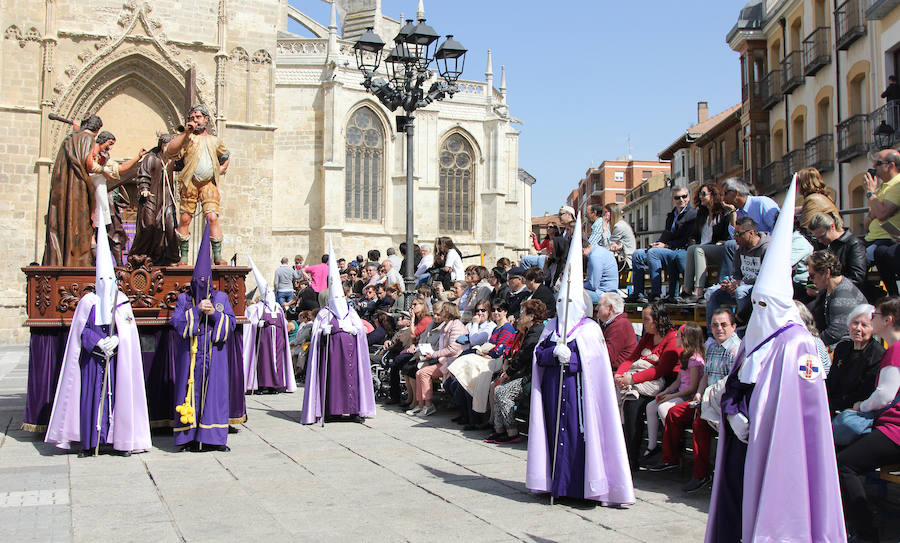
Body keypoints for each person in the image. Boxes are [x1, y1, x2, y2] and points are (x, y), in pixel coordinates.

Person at [705, 177, 844, 543]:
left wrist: (765, 422)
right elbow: (736, 382)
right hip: (746, 441)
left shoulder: (798, 344)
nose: (760, 310)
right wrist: (733, 411)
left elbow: (805, 408)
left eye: (766, 305)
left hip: (781, 449)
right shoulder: (756, 339)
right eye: (756, 304)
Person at [526, 215, 634, 505]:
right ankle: (554, 485)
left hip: (578, 395)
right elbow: (538, 355)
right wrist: (553, 353)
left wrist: (572, 358)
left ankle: (581, 487)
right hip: (552, 390)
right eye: (560, 302)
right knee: (552, 435)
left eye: (568, 302)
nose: (563, 306)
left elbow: (594, 363)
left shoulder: (589, 330)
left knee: (577, 439)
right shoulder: (551, 328)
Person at [45, 206, 150, 456]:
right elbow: (80, 332)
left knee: (118, 399)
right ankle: (90, 442)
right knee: (91, 400)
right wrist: (97, 342)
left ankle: (119, 440)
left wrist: (117, 340)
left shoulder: (122, 300)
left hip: (116, 361)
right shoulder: (88, 302)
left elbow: (129, 332)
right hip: (92, 361)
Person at [650, 309, 740, 491]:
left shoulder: (736, 349)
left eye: (723, 325)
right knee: (676, 414)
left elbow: (732, 382)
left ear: (734, 327)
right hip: (707, 399)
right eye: (715, 325)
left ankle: (702, 473)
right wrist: (699, 394)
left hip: (725, 401)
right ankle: (673, 459)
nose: (719, 329)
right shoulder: (713, 347)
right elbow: (706, 376)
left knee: (699, 423)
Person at [837, 296, 900, 543]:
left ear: (888, 320)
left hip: (894, 430)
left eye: (874, 315)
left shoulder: (895, 350)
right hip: (891, 429)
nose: (870, 319)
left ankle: (866, 533)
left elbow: (884, 395)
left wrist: (859, 406)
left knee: (844, 465)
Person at [170, 218, 235, 451]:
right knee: (189, 392)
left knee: (214, 397)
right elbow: (176, 322)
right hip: (191, 357)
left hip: (213, 357)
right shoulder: (184, 299)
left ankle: (214, 438)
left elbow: (231, 324)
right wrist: (196, 311)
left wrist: (215, 316)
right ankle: (187, 437)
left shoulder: (221, 299)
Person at [301, 240, 375, 425]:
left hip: (351, 355)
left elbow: (360, 328)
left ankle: (354, 410)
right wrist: (322, 332)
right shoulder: (324, 314)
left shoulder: (351, 312)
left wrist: (354, 329)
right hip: (332, 355)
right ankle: (332, 410)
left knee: (353, 380)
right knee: (333, 381)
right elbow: (316, 332)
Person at [615, 302, 681, 469]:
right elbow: (631, 358)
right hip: (641, 378)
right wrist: (620, 374)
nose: (643, 323)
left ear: (658, 320)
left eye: (646, 319)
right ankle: (622, 453)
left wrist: (632, 379)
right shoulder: (648, 337)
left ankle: (632, 458)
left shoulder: (671, 338)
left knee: (632, 405)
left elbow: (662, 369)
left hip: (664, 383)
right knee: (622, 399)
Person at [166, 105, 231, 265]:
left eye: (198, 117)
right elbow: (170, 150)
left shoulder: (214, 140)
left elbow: (226, 155)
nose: (195, 120)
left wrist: (220, 169)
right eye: (192, 118)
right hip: (189, 183)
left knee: (212, 217)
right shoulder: (187, 138)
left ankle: (217, 256)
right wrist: (186, 132)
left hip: (208, 183)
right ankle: (184, 258)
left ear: (206, 119)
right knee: (186, 218)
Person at [43, 115, 104, 266]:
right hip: (78, 190)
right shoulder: (87, 139)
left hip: (62, 189)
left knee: (62, 222)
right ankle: (77, 263)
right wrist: (104, 170)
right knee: (78, 225)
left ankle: (60, 260)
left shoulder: (69, 139)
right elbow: (88, 163)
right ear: (97, 129)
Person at [445, 299, 517, 427]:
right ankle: (468, 417)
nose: (496, 312)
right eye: (494, 310)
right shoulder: (497, 328)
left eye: (499, 310)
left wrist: (486, 353)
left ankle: (474, 419)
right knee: (465, 381)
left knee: (469, 378)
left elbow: (499, 349)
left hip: (496, 361)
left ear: (505, 312)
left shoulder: (506, 328)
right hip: (487, 358)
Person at [643, 323, 705, 464]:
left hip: (687, 396)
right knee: (651, 406)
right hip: (679, 393)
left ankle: (675, 446)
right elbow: (679, 381)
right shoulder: (684, 355)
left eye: (679, 335)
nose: (676, 337)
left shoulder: (694, 359)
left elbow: (692, 387)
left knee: (663, 409)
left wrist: (671, 396)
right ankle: (652, 446)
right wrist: (666, 392)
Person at [485, 299, 545, 444]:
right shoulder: (528, 331)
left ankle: (512, 432)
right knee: (498, 388)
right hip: (523, 373)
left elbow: (523, 357)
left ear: (531, 316)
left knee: (502, 392)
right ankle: (499, 430)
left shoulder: (536, 333)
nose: (519, 316)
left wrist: (509, 373)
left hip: (531, 376)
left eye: (523, 313)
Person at [627, 186, 697, 303]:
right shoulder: (671, 216)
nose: (681, 200)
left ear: (689, 197)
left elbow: (688, 239)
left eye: (684, 196)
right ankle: (638, 294)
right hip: (667, 248)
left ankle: (656, 293)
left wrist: (666, 246)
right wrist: (658, 243)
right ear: (672, 200)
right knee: (638, 254)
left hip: (680, 250)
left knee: (654, 253)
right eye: (677, 197)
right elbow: (667, 234)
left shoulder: (693, 215)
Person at [243, 257, 297, 395]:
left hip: (278, 340)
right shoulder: (257, 308)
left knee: (277, 361)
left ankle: (276, 385)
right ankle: (262, 385)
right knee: (264, 361)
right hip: (263, 340)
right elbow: (250, 323)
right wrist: (257, 324)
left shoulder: (278, 308)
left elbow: (283, 322)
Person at [705, 217, 769, 327]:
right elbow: (736, 273)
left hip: (756, 290)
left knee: (740, 291)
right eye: (734, 233)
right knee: (714, 294)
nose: (735, 237)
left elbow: (765, 277)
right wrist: (730, 283)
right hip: (741, 285)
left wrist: (740, 283)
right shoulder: (740, 249)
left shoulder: (766, 249)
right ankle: (712, 336)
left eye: (738, 234)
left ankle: (741, 330)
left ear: (751, 233)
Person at [679, 182, 735, 303]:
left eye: (703, 194)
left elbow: (729, 233)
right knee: (692, 248)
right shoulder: (702, 214)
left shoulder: (724, 212)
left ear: (713, 195)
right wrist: (692, 243)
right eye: (699, 194)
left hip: (719, 248)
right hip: (704, 248)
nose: (700, 197)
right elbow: (694, 235)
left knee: (698, 250)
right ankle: (687, 290)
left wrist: (723, 241)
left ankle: (698, 291)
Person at [407, 303, 466, 416]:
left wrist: (434, 354)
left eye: (442, 311)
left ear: (448, 313)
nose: (439, 314)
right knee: (419, 373)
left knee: (423, 373)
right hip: (444, 360)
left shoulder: (456, 326)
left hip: (453, 361)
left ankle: (428, 405)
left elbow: (453, 349)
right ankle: (420, 405)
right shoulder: (447, 325)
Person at [130, 133, 180, 266]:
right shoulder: (151, 158)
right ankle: (140, 255)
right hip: (151, 198)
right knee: (149, 225)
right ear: (161, 145)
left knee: (170, 225)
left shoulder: (172, 160)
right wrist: (144, 188)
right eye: (166, 145)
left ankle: (171, 257)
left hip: (167, 198)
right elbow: (143, 174)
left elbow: (186, 163)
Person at [827, 304, 884, 414]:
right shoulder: (842, 348)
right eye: (855, 323)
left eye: (864, 325)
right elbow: (831, 380)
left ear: (873, 329)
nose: (858, 328)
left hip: (855, 410)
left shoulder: (877, 354)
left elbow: (866, 391)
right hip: (832, 404)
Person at [805, 250, 868, 347]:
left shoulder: (843, 294)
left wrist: (810, 344)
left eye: (812, 276)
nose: (810, 280)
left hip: (849, 347)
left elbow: (835, 333)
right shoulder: (830, 290)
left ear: (827, 273)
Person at [864, 149, 900, 295]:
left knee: (859, 260)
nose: (874, 166)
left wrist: (870, 193)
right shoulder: (882, 188)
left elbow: (882, 214)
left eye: (878, 163)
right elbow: (867, 222)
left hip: (886, 240)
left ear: (891, 165)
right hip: (872, 239)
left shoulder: (896, 185)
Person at [384, 297, 432, 405]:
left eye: (415, 304)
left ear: (423, 306)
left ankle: (405, 398)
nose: (412, 307)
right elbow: (414, 339)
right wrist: (412, 344)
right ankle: (409, 398)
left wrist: (412, 319)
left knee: (400, 363)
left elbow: (413, 334)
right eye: (412, 305)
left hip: (425, 351)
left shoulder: (426, 319)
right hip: (416, 348)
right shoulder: (419, 319)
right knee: (399, 364)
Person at [807, 211, 868, 290]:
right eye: (817, 238)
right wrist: (811, 287)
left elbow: (857, 277)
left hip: (845, 293)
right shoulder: (821, 245)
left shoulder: (853, 244)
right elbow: (813, 271)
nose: (820, 241)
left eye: (822, 237)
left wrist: (831, 285)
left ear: (832, 227)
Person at [596, 292, 636, 370]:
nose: (596, 308)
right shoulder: (615, 323)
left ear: (610, 308)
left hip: (617, 374)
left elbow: (607, 356)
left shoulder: (620, 325)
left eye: (600, 305)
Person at [796, 167, 839, 237]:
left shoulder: (812, 199)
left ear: (803, 184)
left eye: (797, 183)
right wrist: (802, 209)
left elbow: (806, 229)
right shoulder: (822, 197)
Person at [582, 238, 619, 304]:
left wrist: (578, 285)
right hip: (609, 292)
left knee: (570, 293)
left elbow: (593, 285)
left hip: (604, 294)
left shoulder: (594, 257)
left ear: (582, 250)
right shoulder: (599, 250)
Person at [605, 204, 636, 270]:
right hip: (623, 257)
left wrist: (604, 226)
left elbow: (608, 245)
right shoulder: (621, 224)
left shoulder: (619, 226)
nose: (604, 215)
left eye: (605, 212)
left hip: (625, 260)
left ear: (612, 213)